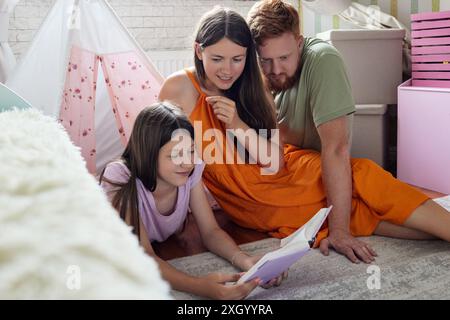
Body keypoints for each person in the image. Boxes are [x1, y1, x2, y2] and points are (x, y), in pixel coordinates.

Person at [159, 6, 450, 267]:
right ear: (199, 51)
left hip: (286, 168)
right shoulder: (179, 89)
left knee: (363, 175)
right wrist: (180, 215)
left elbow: (275, 157)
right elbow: (159, 154)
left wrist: (236, 123)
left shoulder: (254, 85)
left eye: (237, 59)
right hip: (254, 198)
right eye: (217, 58)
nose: (227, 69)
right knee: (356, 213)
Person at [100, 102, 285, 300]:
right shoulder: (120, 177)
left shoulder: (192, 168)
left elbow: (210, 231)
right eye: (175, 154)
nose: (187, 162)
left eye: (190, 151)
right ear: (148, 154)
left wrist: (245, 261)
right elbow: (144, 255)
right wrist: (199, 286)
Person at [246, 0, 371, 263]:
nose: (276, 70)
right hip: (293, 178)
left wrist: (339, 231)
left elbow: (336, 149)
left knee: (377, 197)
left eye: (284, 57)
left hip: (325, 172)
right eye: (266, 60)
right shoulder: (256, 73)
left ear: (300, 43)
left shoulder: (322, 60)